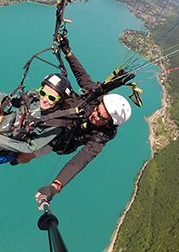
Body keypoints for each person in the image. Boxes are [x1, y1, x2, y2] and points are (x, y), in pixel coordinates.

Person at [31, 36, 133, 206]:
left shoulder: (100, 137)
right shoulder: (95, 97)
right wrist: (68, 52)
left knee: (27, 155)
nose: (95, 115)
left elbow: (80, 161)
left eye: (101, 117)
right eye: (97, 110)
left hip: (60, 138)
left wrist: (54, 187)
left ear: (109, 123)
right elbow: (82, 76)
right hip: (61, 111)